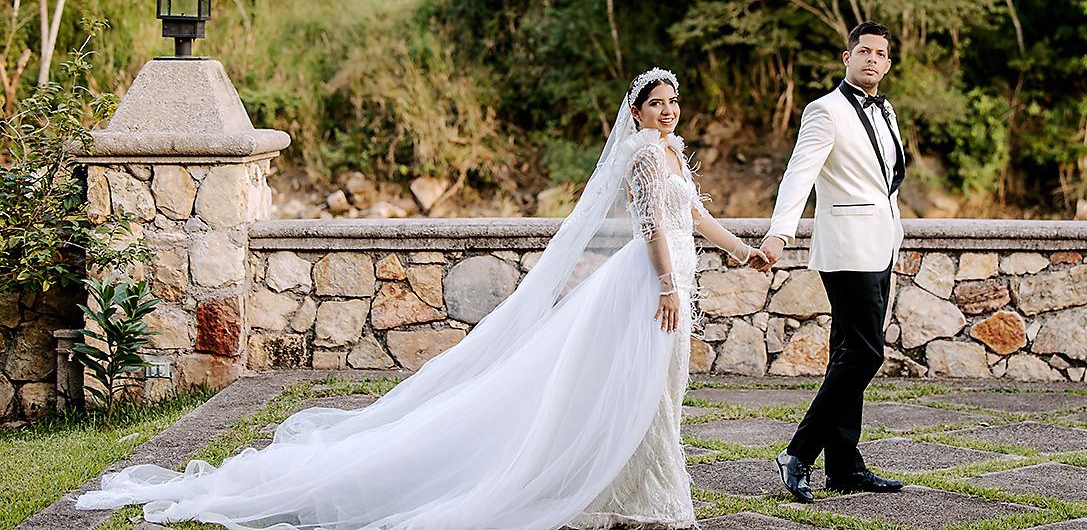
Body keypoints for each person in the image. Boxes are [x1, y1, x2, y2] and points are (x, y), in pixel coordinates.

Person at [74, 67, 770, 530]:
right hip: (652, 285)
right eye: (657, 104)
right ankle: (645, 497)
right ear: (637, 112)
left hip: (675, 275)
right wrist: (673, 285)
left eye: (674, 103)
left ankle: (630, 491)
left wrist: (745, 249)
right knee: (641, 388)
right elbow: (651, 227)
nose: (668, 112)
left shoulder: (676, 154)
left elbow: (694, 219)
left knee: (661, 389)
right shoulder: (645, 155)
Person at [755, 21, 907, 503]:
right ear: (847, 58)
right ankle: (798, 454)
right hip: (846, 246)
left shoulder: (888, 112)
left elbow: (888, 182)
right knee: (866, 353)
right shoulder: (825, 111)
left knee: (847, 352)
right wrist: (780, 234)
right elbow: (798, 175)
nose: (872, 60)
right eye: (863, 51)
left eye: (881, 54)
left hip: (881, 242)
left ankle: (843, 467)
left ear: (887, 63)